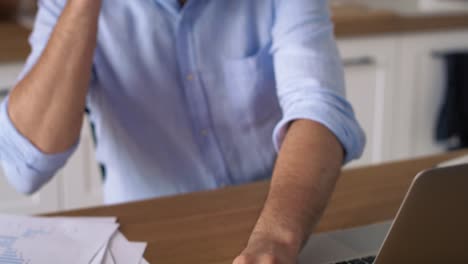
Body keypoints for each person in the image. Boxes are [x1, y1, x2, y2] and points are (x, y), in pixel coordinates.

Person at [0, 0, 365, 262]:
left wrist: (274, 239)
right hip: (151, 238)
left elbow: (318, 109)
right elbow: (26, 166)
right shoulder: (64, 8)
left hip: (278, 216)